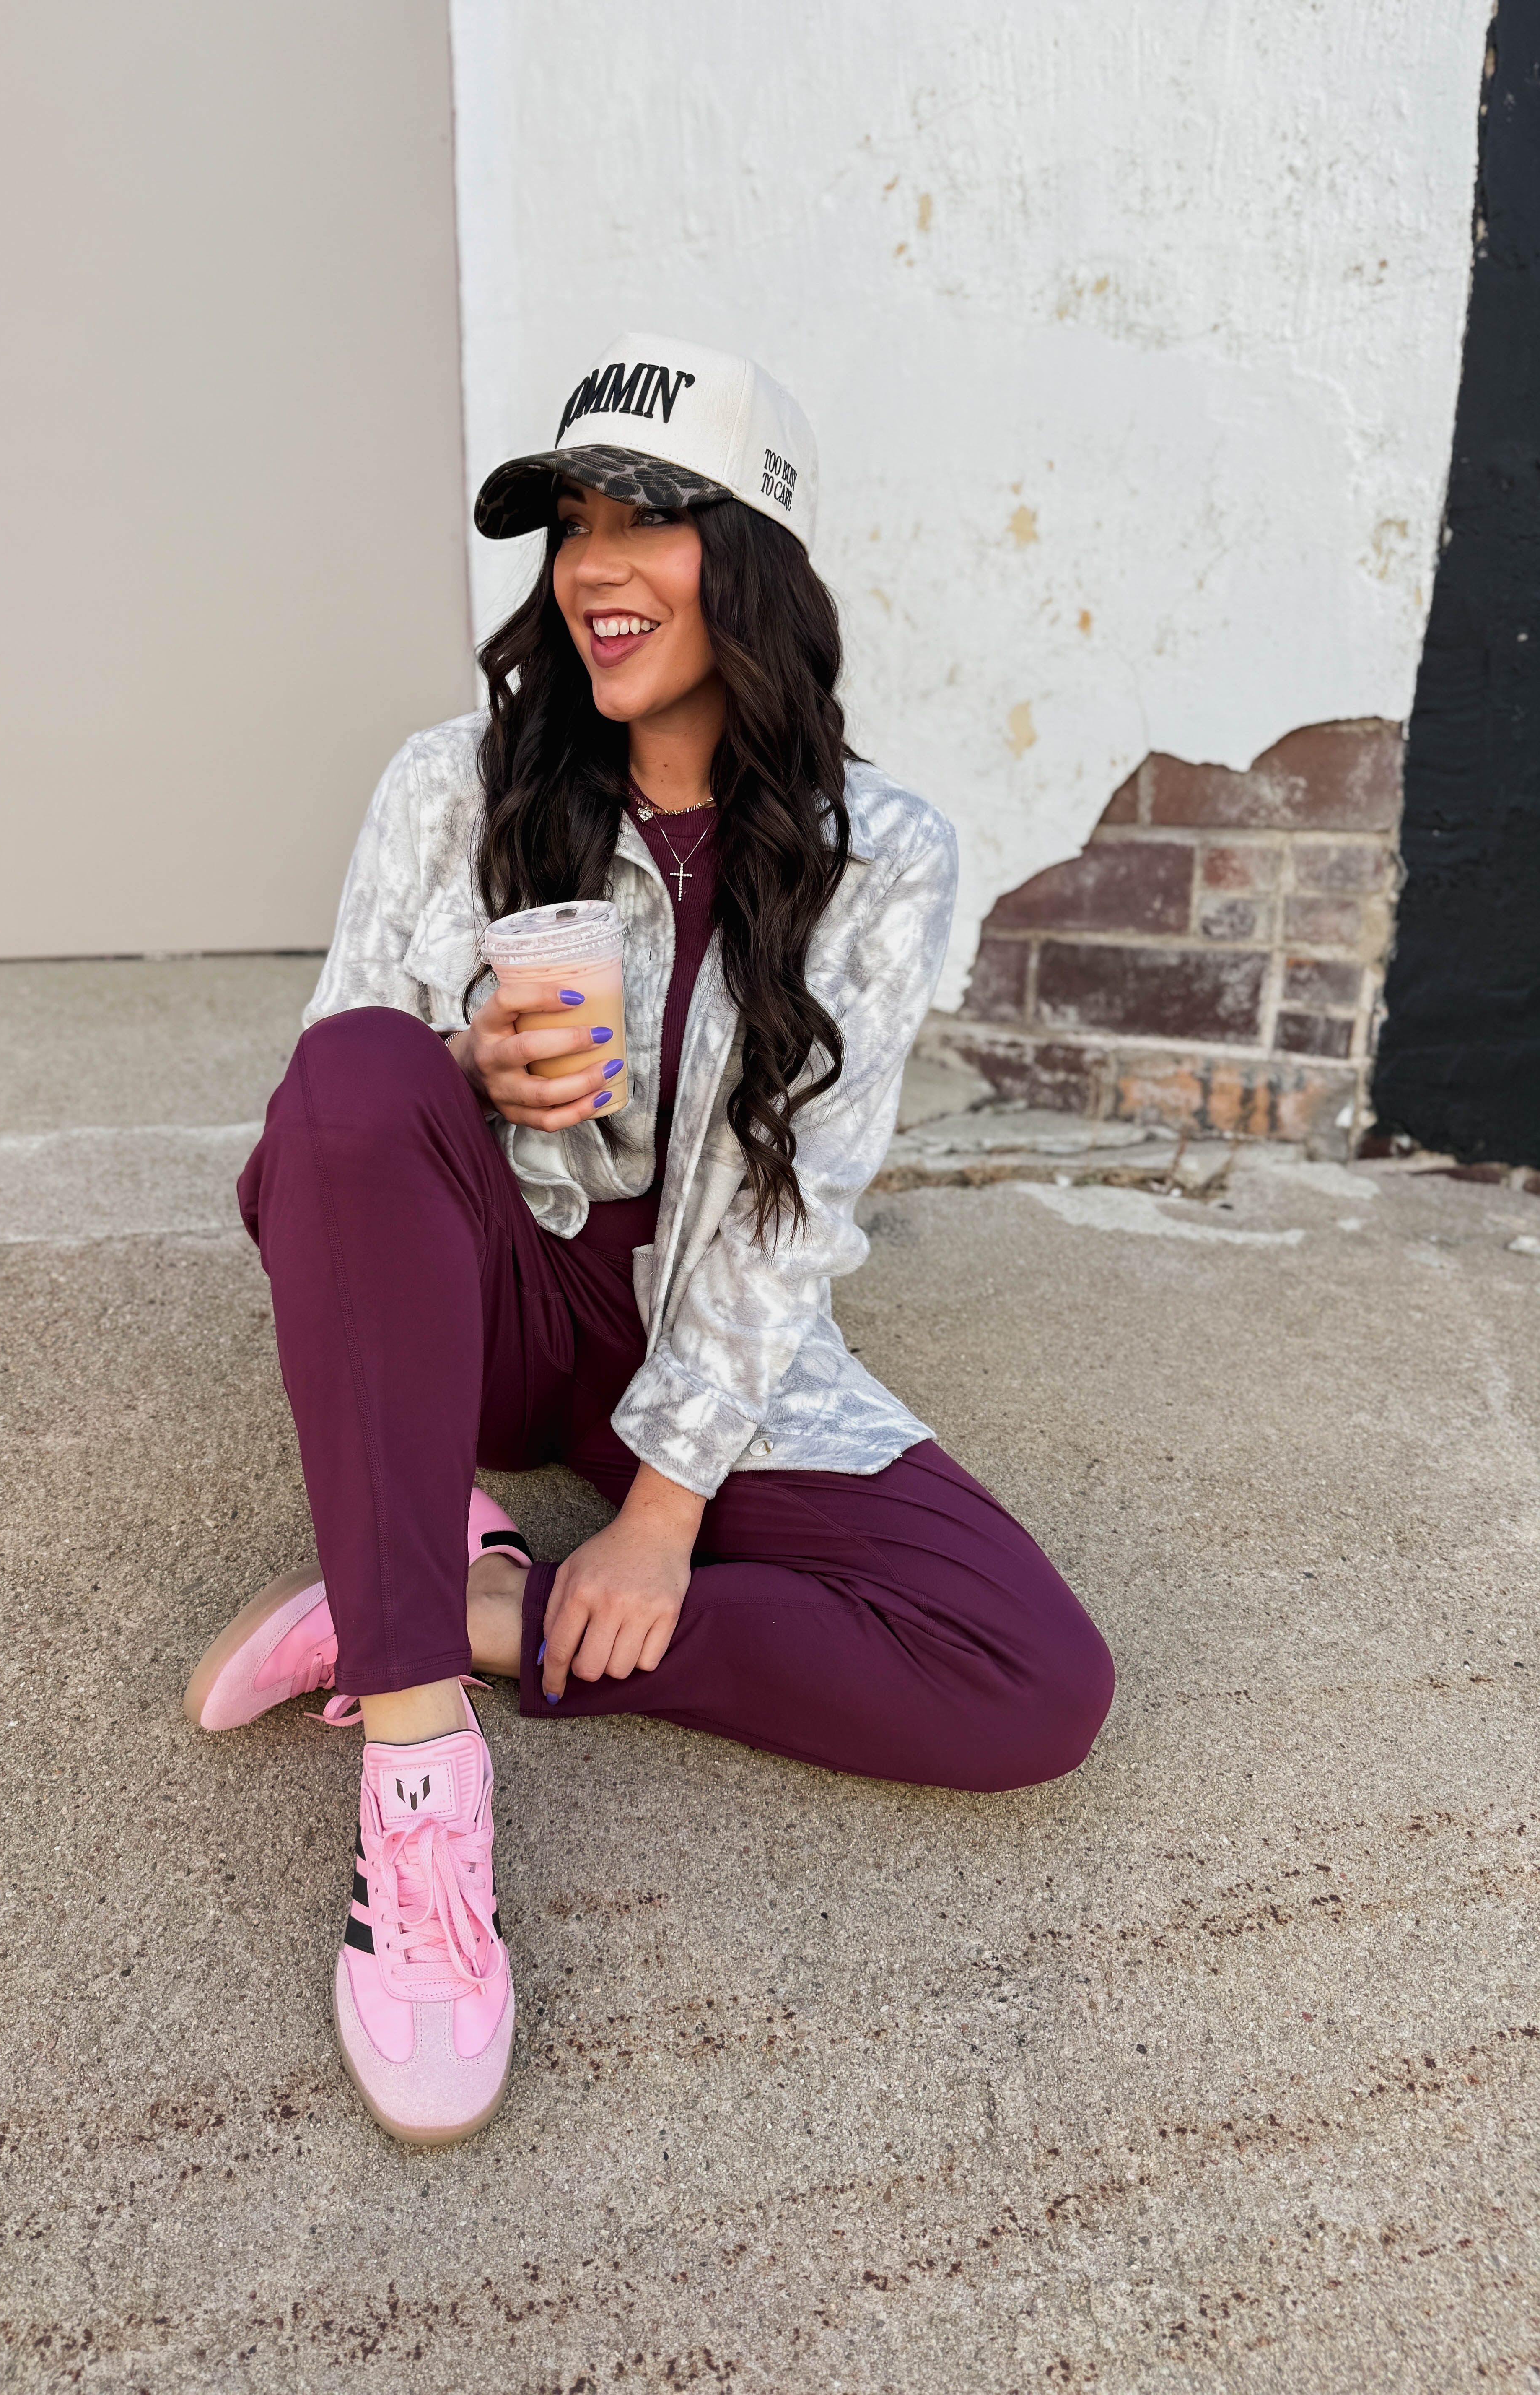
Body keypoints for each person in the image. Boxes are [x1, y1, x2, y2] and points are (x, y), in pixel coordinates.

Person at [183, 333, 1114, 2147]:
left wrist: (660, 1519)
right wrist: (466, 1066)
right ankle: (417, 1767)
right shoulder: (449, 786)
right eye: (571, 526)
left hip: (702, 1347)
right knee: (365, 1068)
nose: (594, 568)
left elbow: (798, 1201)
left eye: (648, 521)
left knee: (1032, 1682)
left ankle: (449, 1599)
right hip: (487, 1304)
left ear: (755, 557)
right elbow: (318, 1139)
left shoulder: (879, 855)